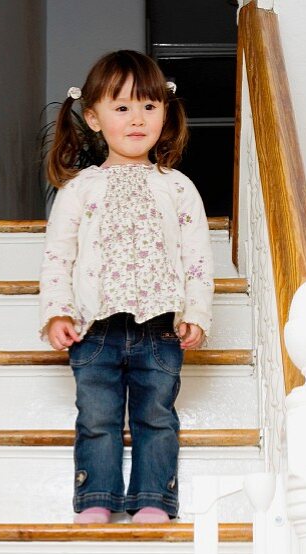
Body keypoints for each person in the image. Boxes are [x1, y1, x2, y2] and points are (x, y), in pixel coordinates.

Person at [39, 50, 214, 524]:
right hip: (93, 331)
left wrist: (195, 313)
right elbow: (59, 257)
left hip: (160, 330)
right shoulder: (80, 189)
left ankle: (154, 500)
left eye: (149, 106)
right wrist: (57, 312)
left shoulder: (178, 188)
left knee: (156, 417)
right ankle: (97, 498)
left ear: (165, 113)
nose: (137, 119)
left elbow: (196, 258)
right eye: (122, 108)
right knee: (97, 420)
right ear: (93, 118)